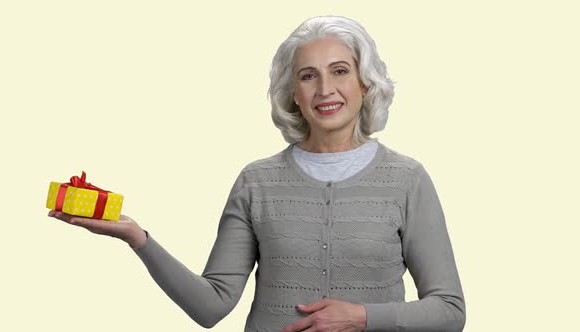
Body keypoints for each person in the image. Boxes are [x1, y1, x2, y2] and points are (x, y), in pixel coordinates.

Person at [48, 15, 465, 332]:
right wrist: (137, 237)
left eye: (339, 71)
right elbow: (211, 306)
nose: (325, 89)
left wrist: (362, 316)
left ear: (365, 83)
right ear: (293, 94)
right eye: (308, 76)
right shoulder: (257, 181)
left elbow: (449, 309)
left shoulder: (407, 180)